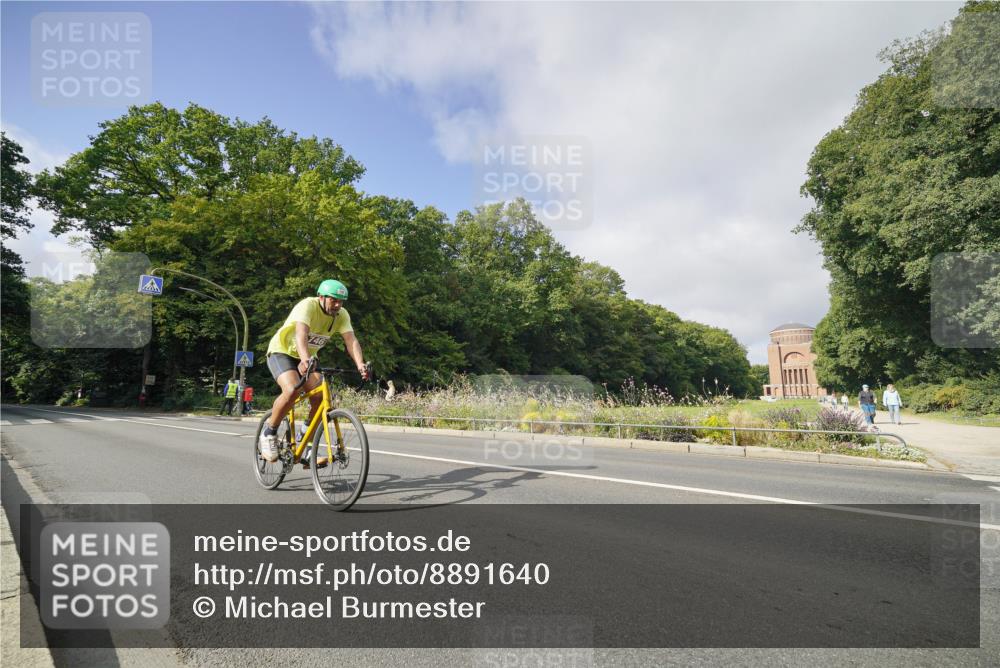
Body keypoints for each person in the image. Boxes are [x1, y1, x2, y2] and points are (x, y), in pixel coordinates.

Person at [258, 279, 369, 466]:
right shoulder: (307, 306)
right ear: (321, 297)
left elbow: (351, 341)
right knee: (292, 389)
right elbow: (301, 334)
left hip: (309, 358)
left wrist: (360, 364)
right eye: (334, 300)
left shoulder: (341, 315)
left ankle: (305, 441)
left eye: (341, 301)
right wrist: (303, 359)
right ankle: (269, 432)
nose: (338, 305)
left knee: (321, 397)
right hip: (282, 352)